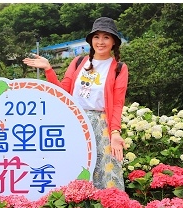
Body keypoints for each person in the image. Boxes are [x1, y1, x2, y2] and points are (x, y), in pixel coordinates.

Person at [23, 17, 129, 191]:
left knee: (107, 168)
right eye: (96, 37)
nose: (100, 42)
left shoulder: (119, 68)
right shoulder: (79, 62)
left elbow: (118, 103)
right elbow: (63, 94)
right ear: (91, 40)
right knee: (75, 165)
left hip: (101, 123)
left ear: (114, 42)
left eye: (106, 37)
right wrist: (49, 69)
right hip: (75, 121)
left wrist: (115, 132)